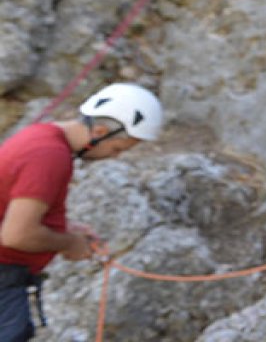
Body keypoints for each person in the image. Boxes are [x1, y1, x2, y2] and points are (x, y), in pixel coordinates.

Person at [0, 83, 163, 342]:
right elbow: (17, 235)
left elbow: (14, 208)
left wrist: (62, 228)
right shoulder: (49, 156)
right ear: (99, 133)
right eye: (117, 149)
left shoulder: (41, 136)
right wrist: (69, 243)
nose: (115, 157)